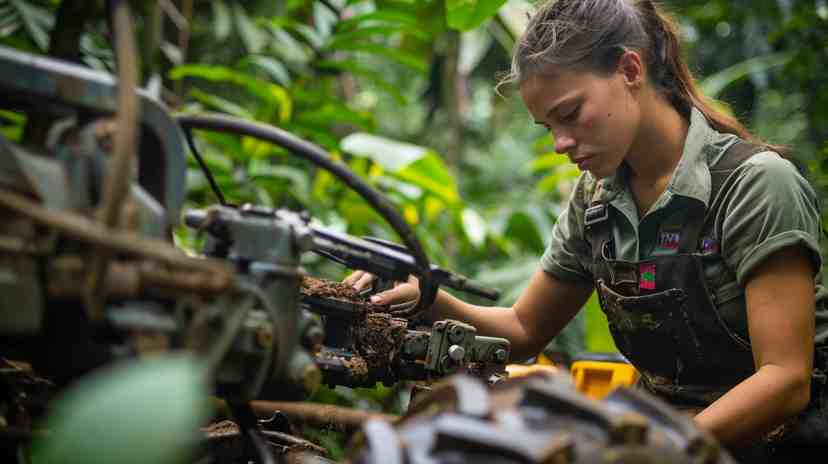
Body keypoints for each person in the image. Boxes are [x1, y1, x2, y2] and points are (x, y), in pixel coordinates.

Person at [345, 0, 828, 459]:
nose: (560, 143)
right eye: (546, 127)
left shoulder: (755, 185)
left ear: (630, 71)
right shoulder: (597, 201)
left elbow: (784, 380)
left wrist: (648, 450)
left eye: (570, 114)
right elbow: (524, 330)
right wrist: (427, 299)